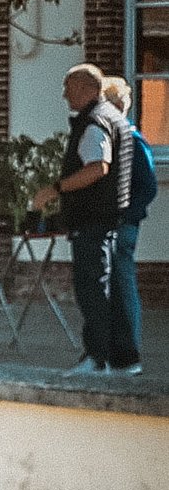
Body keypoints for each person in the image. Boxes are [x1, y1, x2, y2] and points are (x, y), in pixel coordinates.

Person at [31, 62, 133, 375]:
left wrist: (55, 189)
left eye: (68, 88)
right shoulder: (115, 117)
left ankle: (97, 358)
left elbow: (97, 167)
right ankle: (124, 359)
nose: (64, 95)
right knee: (112, 290)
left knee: (92, 290)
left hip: (92, 220)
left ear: (84, 87)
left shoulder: (94, 122)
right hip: (110, 218)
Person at [103, 76, 156, 376]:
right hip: (121, 222)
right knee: (117, 285)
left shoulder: (132, 141)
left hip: (123, 224)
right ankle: (118, 347)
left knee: (122, 286)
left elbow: (147, 186)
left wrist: (126, 214)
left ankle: (127, 348)